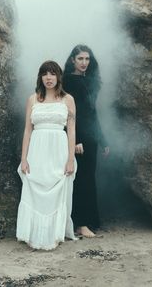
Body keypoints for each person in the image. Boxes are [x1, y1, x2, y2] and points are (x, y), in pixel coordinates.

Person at [16, 60, 77, 250]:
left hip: (58, 148)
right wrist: (24, 158)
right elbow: (27, 130)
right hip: (37, 149)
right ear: (40, 77)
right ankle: (33, 234)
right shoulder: (32, 99)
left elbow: (72, 131)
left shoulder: (68, 99)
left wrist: (70, 158)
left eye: (52, 74)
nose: (48, 78)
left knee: (57, 188)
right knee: (34, 186)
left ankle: (55, 234)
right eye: (45, 74)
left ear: (58, 77)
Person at [63, 45, 109, 238]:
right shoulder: (67, 81)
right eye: (80, 59)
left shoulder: (88, 81)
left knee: (89, 179)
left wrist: (102, 140)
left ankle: (87, 222)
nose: (84, 63)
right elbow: (70, 114)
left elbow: (92, 112)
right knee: (80, 180)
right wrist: (75, 140)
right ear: (72, 60)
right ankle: (80, 224)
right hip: (77, 137)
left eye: (87, 59)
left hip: (90, 138)